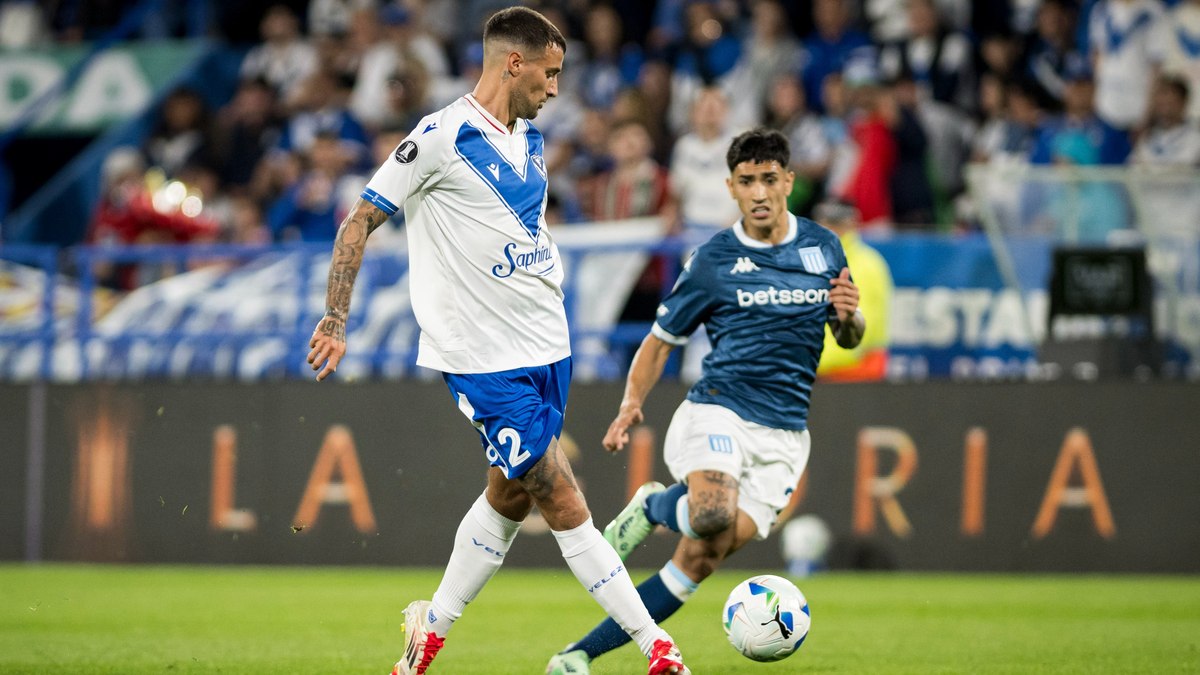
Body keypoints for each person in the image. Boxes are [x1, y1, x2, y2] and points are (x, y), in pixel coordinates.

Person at [303, 8, 689, 675]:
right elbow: (358, 221)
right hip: (481, 359)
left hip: (547, 344)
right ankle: (658, 648)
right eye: (551, 72)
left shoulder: (532, 141)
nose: (556, 88)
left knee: (509, 496)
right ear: (516, 62)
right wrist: (336, 318)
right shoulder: (438, 137)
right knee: (562, 497)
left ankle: (429, 633)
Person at [545, 128, 864, 674]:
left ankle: (576, 656)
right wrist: (629, 405)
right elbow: (660, 340)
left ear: (788, 181)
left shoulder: (823, 247)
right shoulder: (713, 260)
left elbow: (849, 336)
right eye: (747, 182)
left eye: (769, 179)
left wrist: (851, 316)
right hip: (720, 408)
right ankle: (654, 507)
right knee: (710, 512)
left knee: (702, 553)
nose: (759, 192)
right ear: (731, 188)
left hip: (785, 433)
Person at [813, 199, 892, 381]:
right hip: (836, 370)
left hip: (855, 372)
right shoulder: (823, 259)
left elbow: (856, 330)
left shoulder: (863, 265)